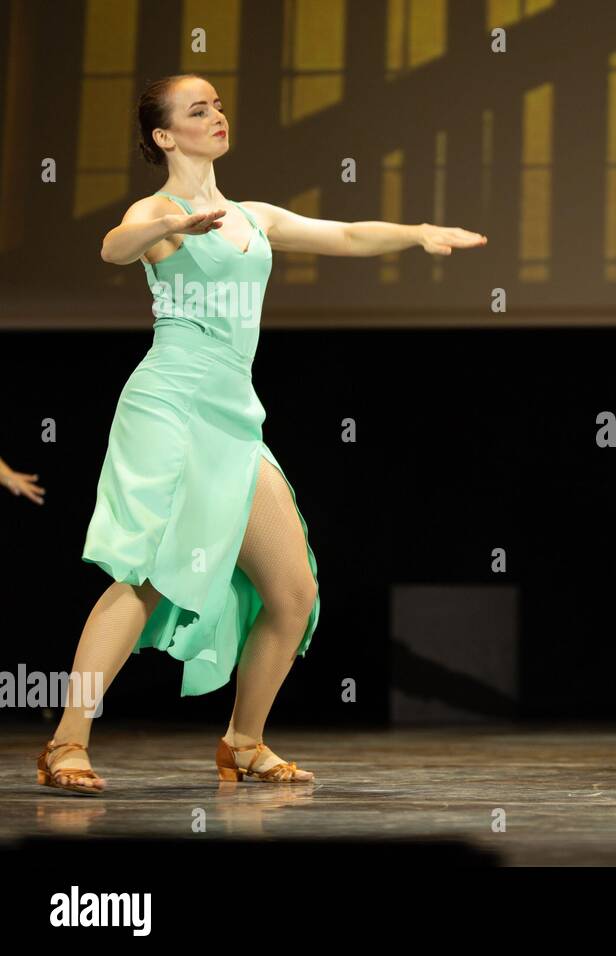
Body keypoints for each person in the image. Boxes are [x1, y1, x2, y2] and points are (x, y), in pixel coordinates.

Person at [36, 73, 487, 795]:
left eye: (216, 104)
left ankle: (243, 742)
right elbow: (114, 248)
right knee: (149, 575)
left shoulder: (251, 214)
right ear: (163, 135)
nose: (216, 115)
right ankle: (67, 742)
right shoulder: (157, 209)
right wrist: (166, 228)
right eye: (197, 109)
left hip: (233, 416)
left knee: (292, 592)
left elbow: (342, 232)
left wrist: (415, 233)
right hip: (172, 407)